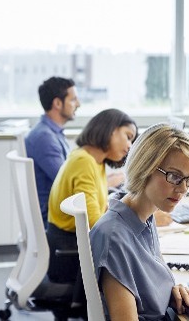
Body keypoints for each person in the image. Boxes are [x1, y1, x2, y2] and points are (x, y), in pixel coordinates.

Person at [91, 123, 189, 318]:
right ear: (145, 167)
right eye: (174, 176)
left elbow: (147, 286)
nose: (183, 188)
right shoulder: (114, 238)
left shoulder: (144, 218)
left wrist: (171, 290)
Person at [46, 109, 137, 289]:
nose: (129, 146)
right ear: (110, 129)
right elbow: (96, 224)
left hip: (73, 248)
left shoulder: (93, 161)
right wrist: (138, 219)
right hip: (69, 256)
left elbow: (100, 210)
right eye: (128, 136)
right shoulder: (84, 162)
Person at [25, 76, 80, 224]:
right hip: (53, 218)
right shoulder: (45, 138)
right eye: (73, 100)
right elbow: (67, 182)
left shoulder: (51, 133)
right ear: (57, 103)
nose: (78, 104)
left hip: (57, 210)